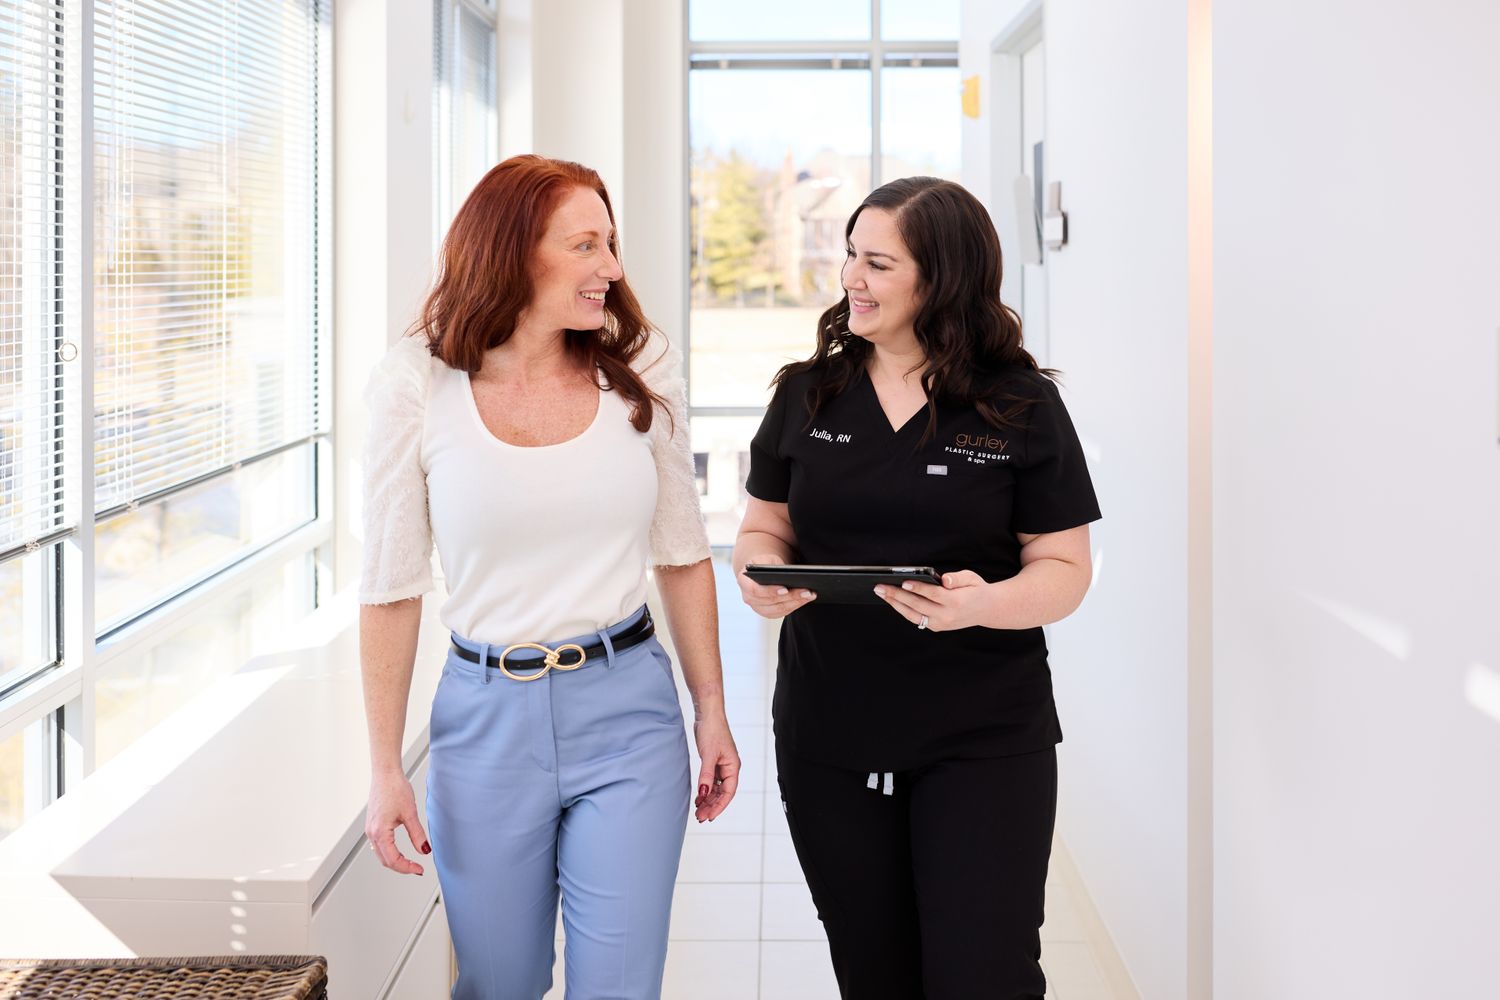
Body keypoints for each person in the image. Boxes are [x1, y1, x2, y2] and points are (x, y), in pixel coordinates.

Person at [358, 154, 740, 1000]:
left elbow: (681, 553)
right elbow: (388, 587)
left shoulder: (641, 367)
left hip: (629, 713)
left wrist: (711, 711)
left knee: (619, 988)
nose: (611, 267)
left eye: (611, 243)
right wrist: (385, 767)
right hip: (484, 722)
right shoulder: (417, 383)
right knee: (500, 984)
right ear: (512, 252)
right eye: (586, 245)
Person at [733, 176, 1100, 1000]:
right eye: (849, 258)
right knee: (874, 972)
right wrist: (759, 576)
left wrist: (984, 605)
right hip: (830, 728)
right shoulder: (807, 392)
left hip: (981, 735)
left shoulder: (1020, 403)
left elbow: (1066, 568)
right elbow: (764, 527)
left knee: (986, 975)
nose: (851, 280)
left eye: (877, 263)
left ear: (942, 278)